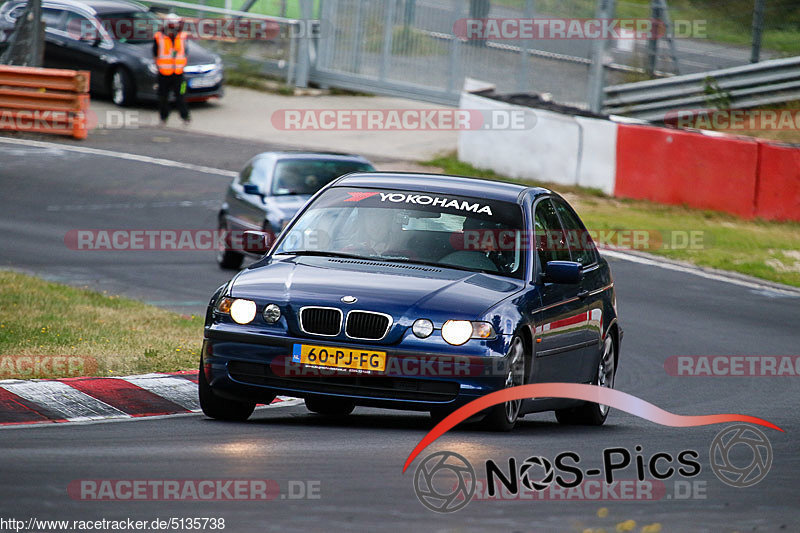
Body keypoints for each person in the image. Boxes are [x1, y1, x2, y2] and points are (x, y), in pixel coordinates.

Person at [153, 14, 190, 126]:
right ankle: (163, 118)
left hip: (179, 74)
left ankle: (185, 117)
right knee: (163, 97)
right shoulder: (158, 37)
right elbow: (155, 54)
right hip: (164, 74)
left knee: (181, 96)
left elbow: (185, 52)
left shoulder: (183, 36)